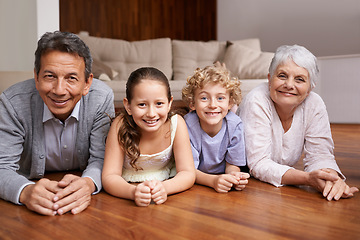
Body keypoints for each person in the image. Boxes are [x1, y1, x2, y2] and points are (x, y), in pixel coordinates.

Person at [0, 31, 115, 215]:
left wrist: (88, 183)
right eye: (50, 76)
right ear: (36, 78)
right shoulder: (12, 102)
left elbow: (102, 158)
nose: (59, 90)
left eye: (71, 78)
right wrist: (25, 191)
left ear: (87, 83)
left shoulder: (101, 99)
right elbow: (2, 166)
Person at [237, 44, 359, 200]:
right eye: (282, 75)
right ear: (269, 79)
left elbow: (320, 154)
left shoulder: (315, 103)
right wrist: (308, 179)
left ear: (310, 88)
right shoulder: (256, 100)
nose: (289, 85)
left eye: (299, 79)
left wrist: (332, 179)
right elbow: (258, 163)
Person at [102, 67, 195, 206]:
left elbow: (187, 173)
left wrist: (165, 188)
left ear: (169, 103)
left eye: (159, 104)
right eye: (142, 104)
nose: (151, 113)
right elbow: (109, 176)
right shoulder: (119, 125)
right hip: (125, 189)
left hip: (167, 189)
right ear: (128, 106)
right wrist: (132, 192)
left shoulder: (176, 124)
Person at [182, 64, 250, 193]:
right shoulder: (188, 126)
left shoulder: (235, 125)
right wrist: (213, 181)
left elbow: (232, 164)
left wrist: (233, 177)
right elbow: (188, 170)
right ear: (192, 103)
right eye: (204, 98)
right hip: (196, 184)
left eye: (220, 98)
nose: (213, 105)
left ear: (230, 103)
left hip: (221, 178)